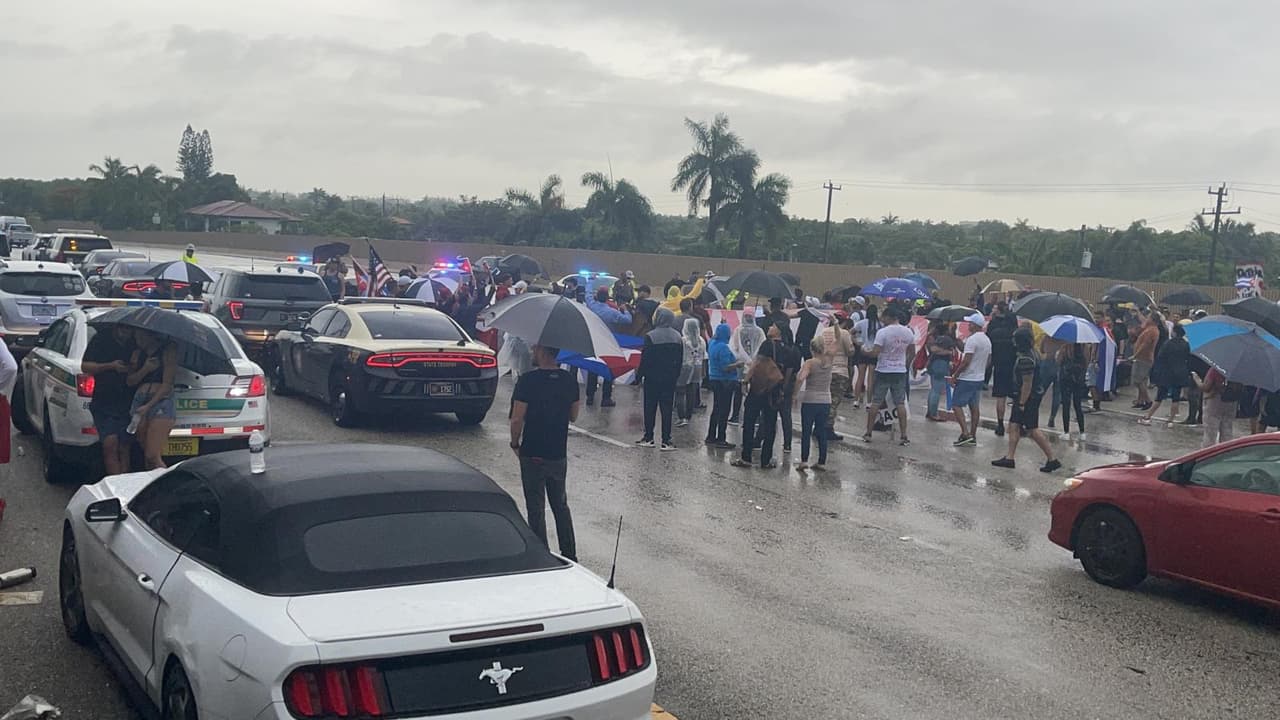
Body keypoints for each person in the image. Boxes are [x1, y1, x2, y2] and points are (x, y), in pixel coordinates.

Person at [510, 344, 580, 561]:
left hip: (533, 450)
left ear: (542, 351)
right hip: (557, 451)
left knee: (535, 506)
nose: (532, 350)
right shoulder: (570, 380)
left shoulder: (528, 380)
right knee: (560, 504)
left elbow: (517, 417)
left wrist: (515, 443)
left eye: (535, 348)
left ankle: (541, 555)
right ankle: (570, 553)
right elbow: (574, 416)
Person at [991, 328, 1061, 472]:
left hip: (1027, 398)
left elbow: (1027, 383)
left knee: (1032, 429)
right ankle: (1010, 457)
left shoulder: (1025, 359)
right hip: (1031, 396)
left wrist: (1022, 402)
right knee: (1014, 425)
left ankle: (1052, 459)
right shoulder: (1033, 353)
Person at [127, 329, 178, 470]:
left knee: (152, 455)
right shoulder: (137, 353)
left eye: (140, 335)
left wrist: (148, 406)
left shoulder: (168, 350)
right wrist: (145, 369)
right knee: (145, 450)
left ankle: (165, 482)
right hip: (140, 399)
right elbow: (130, 381)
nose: (138, 339)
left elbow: (167, 384)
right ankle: (150, 484)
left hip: (160, 401)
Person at [861, 307, 914, 444]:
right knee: (900, 403)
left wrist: (864, 351)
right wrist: (905, 365)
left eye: (883, 317)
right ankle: (903, 436)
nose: (882, 320)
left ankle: (868, 433)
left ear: (889, 317)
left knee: (876, 402)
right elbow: (912, 352)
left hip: (883, 370)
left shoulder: (882, 332)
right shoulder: (908, 332)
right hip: (899, 371)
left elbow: (875, 353)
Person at [635, 308, 683, 450]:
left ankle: (649, 437)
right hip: (669, 379)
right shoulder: (677, 337)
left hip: (652, 378)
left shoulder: (650, 336)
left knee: (650, 407)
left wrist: (638, 377)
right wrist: (676, 376)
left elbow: (645, 359)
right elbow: (680, 359)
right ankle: (666, 440)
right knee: (667, 409)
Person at [732, 339, 784, 469]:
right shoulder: (776, 362)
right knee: (770, 427)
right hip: (771, 396)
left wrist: (745, 384)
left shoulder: (759, 361)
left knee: (749, 425)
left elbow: (750, 373)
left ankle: (746, 457)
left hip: (755, 394)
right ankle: (766, 460)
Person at [949, 313, 991, 447]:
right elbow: (989, 360)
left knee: (956, 404)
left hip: (968, 377)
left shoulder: (972, 340)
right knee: (974, 407)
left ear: (975, 325)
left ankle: (965, 433)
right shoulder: (986, 340)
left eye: (970, 323)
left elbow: (966, 360)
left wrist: (956, 374)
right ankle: (973, 435)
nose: (968, 325)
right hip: (979, 377)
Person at [585, 287, 632, 407]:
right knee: (608, 370)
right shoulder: (612, 312)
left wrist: (590, 281)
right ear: (607, 298)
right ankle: (606, 398)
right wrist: (625, 310)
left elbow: (588, 296)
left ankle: (590, 396)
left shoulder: (592, 306)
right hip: (608, 343)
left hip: (594, 341)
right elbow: (628, 320)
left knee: (593, 368)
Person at [794, 336, 834, 471]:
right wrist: (834, 324)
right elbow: (838, 341)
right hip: (826, 400)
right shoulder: (829, 361)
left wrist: (794, 394)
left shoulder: (809, 363)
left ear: (811, 349)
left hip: (810, 399)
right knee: (821, 431)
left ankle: (804, 460)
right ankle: (822, 461)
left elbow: (801, 378)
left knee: (806, 430)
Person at [1140, 323, 1190, 426]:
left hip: (1167, 373)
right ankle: (1170, 421)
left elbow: (1160, 357)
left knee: (1159, 397)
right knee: (1176, 398)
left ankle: (1148, 417)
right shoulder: (1186, 344)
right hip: (1180, 373)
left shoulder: (1168, 343)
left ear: (1175, 332)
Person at [704, 323, 743, 448]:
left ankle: (711, 436)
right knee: (724, 410)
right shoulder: (724, 348)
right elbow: (725, 367)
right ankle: (721, 438)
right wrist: (738, 364)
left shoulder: (712, 344)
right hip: (725, 381)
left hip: (714, 378)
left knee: (716, 408)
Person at [822, 312, 855, 440]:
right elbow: (850, 351)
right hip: (840, 371)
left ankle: (819, 426)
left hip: (825, 369)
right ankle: (827, 429)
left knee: (824, 400)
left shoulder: (824, 332)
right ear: (844, 322)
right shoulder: (844, 333)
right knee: (833, 402)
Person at [986, 303, 1018, 436]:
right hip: (1013, 367)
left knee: (1000, 397)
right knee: (1016, 398)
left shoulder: (994, 332)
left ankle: (1000, 425)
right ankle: (1015, 423)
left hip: (999, 366)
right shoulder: (1015, 334)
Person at [729, 313, 766, 425]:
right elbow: (762, 346)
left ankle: (735, 416)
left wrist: (743, 357)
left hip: (741, 364)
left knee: (738, 391)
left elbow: (734, 347)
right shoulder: (759, 331)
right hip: (755, 365)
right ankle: (756, 417)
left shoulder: (738, 330)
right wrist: (753, 358)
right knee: (755, 391)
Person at [771, 323, 802, 454]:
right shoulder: (796, 350)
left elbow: (788, 369)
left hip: (781, 381)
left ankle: (759, 439)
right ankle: (788, 443)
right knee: (786, 415)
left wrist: (783, 386)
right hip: (790, 382)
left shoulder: (783, 349)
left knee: (770, 412)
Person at [1193, 367, 1237, 447]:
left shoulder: (1216, 369)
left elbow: (1206, 387)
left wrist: (1197, 379)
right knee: (1227, 431)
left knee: (1210, 433)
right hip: (1231, 402)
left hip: (1214, 401)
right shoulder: (1237, 371)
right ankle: (1226, 453)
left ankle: (1207, 455)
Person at [924, 320, 956, 421]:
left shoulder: (934, 338)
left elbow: (932, 349)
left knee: (933, 389)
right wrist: (947, 352)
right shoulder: (947, 339)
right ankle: (933, 413)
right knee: (937, 390)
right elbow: (951, 351)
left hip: (934, 364)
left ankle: (930, 411)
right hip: (941, 365)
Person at [676, 317, 705, 428]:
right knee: (691, 392)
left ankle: (681, 417)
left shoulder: (682, 340)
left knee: (680, 392)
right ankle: (688, 416)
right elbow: (703, 356)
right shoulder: (701, 340)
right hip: (697, 366)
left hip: (685, 367)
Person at [1057, 343, 1089, 438]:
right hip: (1078, 379)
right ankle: (1082, 432)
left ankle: (1066, 432)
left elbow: (1059, 361)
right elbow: (1086, 363)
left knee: (1066, 405)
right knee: (1078, 405)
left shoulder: (1066, 346)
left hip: (1066, 379)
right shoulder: (1085, 347)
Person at [852, 304, 880, 409]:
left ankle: (856, 400)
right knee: (871, 378)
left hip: (863, 351)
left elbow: (851, 333)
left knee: (860, 377)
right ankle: (869, 402)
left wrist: (857, 342)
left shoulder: (861, 323)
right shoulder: (879, 324)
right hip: (873, 352)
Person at [1131, 311, 1158, 410]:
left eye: (1148, 317)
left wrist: (1135, 355)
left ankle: (1148, 400)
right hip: (1143, 358)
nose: (1146, 318)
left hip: (1143, 358)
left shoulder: (1152, 331)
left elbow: (1145, 344)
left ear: (1153, 319)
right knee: (1142, 380)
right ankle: (1140, 400)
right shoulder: (1148, 328)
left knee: (1138, 380)